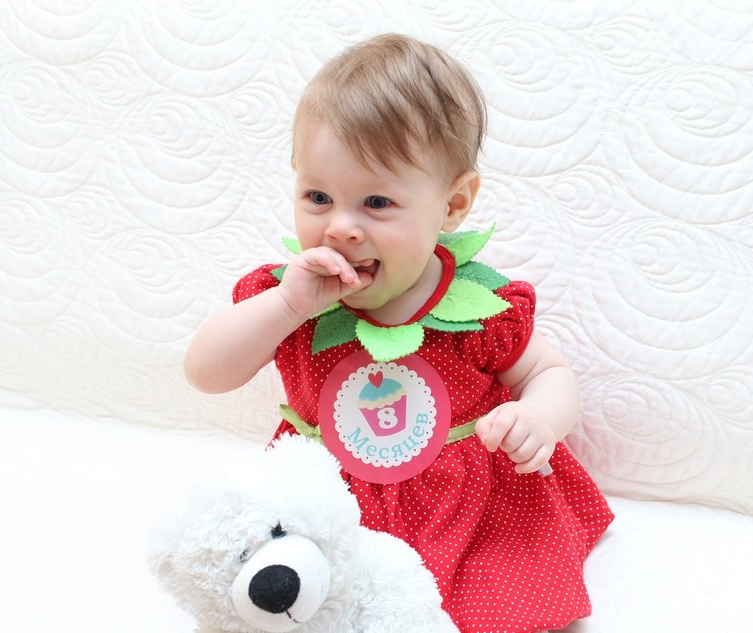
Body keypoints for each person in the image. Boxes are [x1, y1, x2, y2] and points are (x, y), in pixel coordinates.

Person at [184, 33, 614, 633]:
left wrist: (537, 420)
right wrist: (285, 307)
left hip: (462, 503)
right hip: (330, 498)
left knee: (488, 605)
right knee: (291, 599)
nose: (340, 227)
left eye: (377, 202)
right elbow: (206, 373)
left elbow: (547, 372)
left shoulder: (475, 309)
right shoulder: (290, 296)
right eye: (317, 196)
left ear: (453, 204)